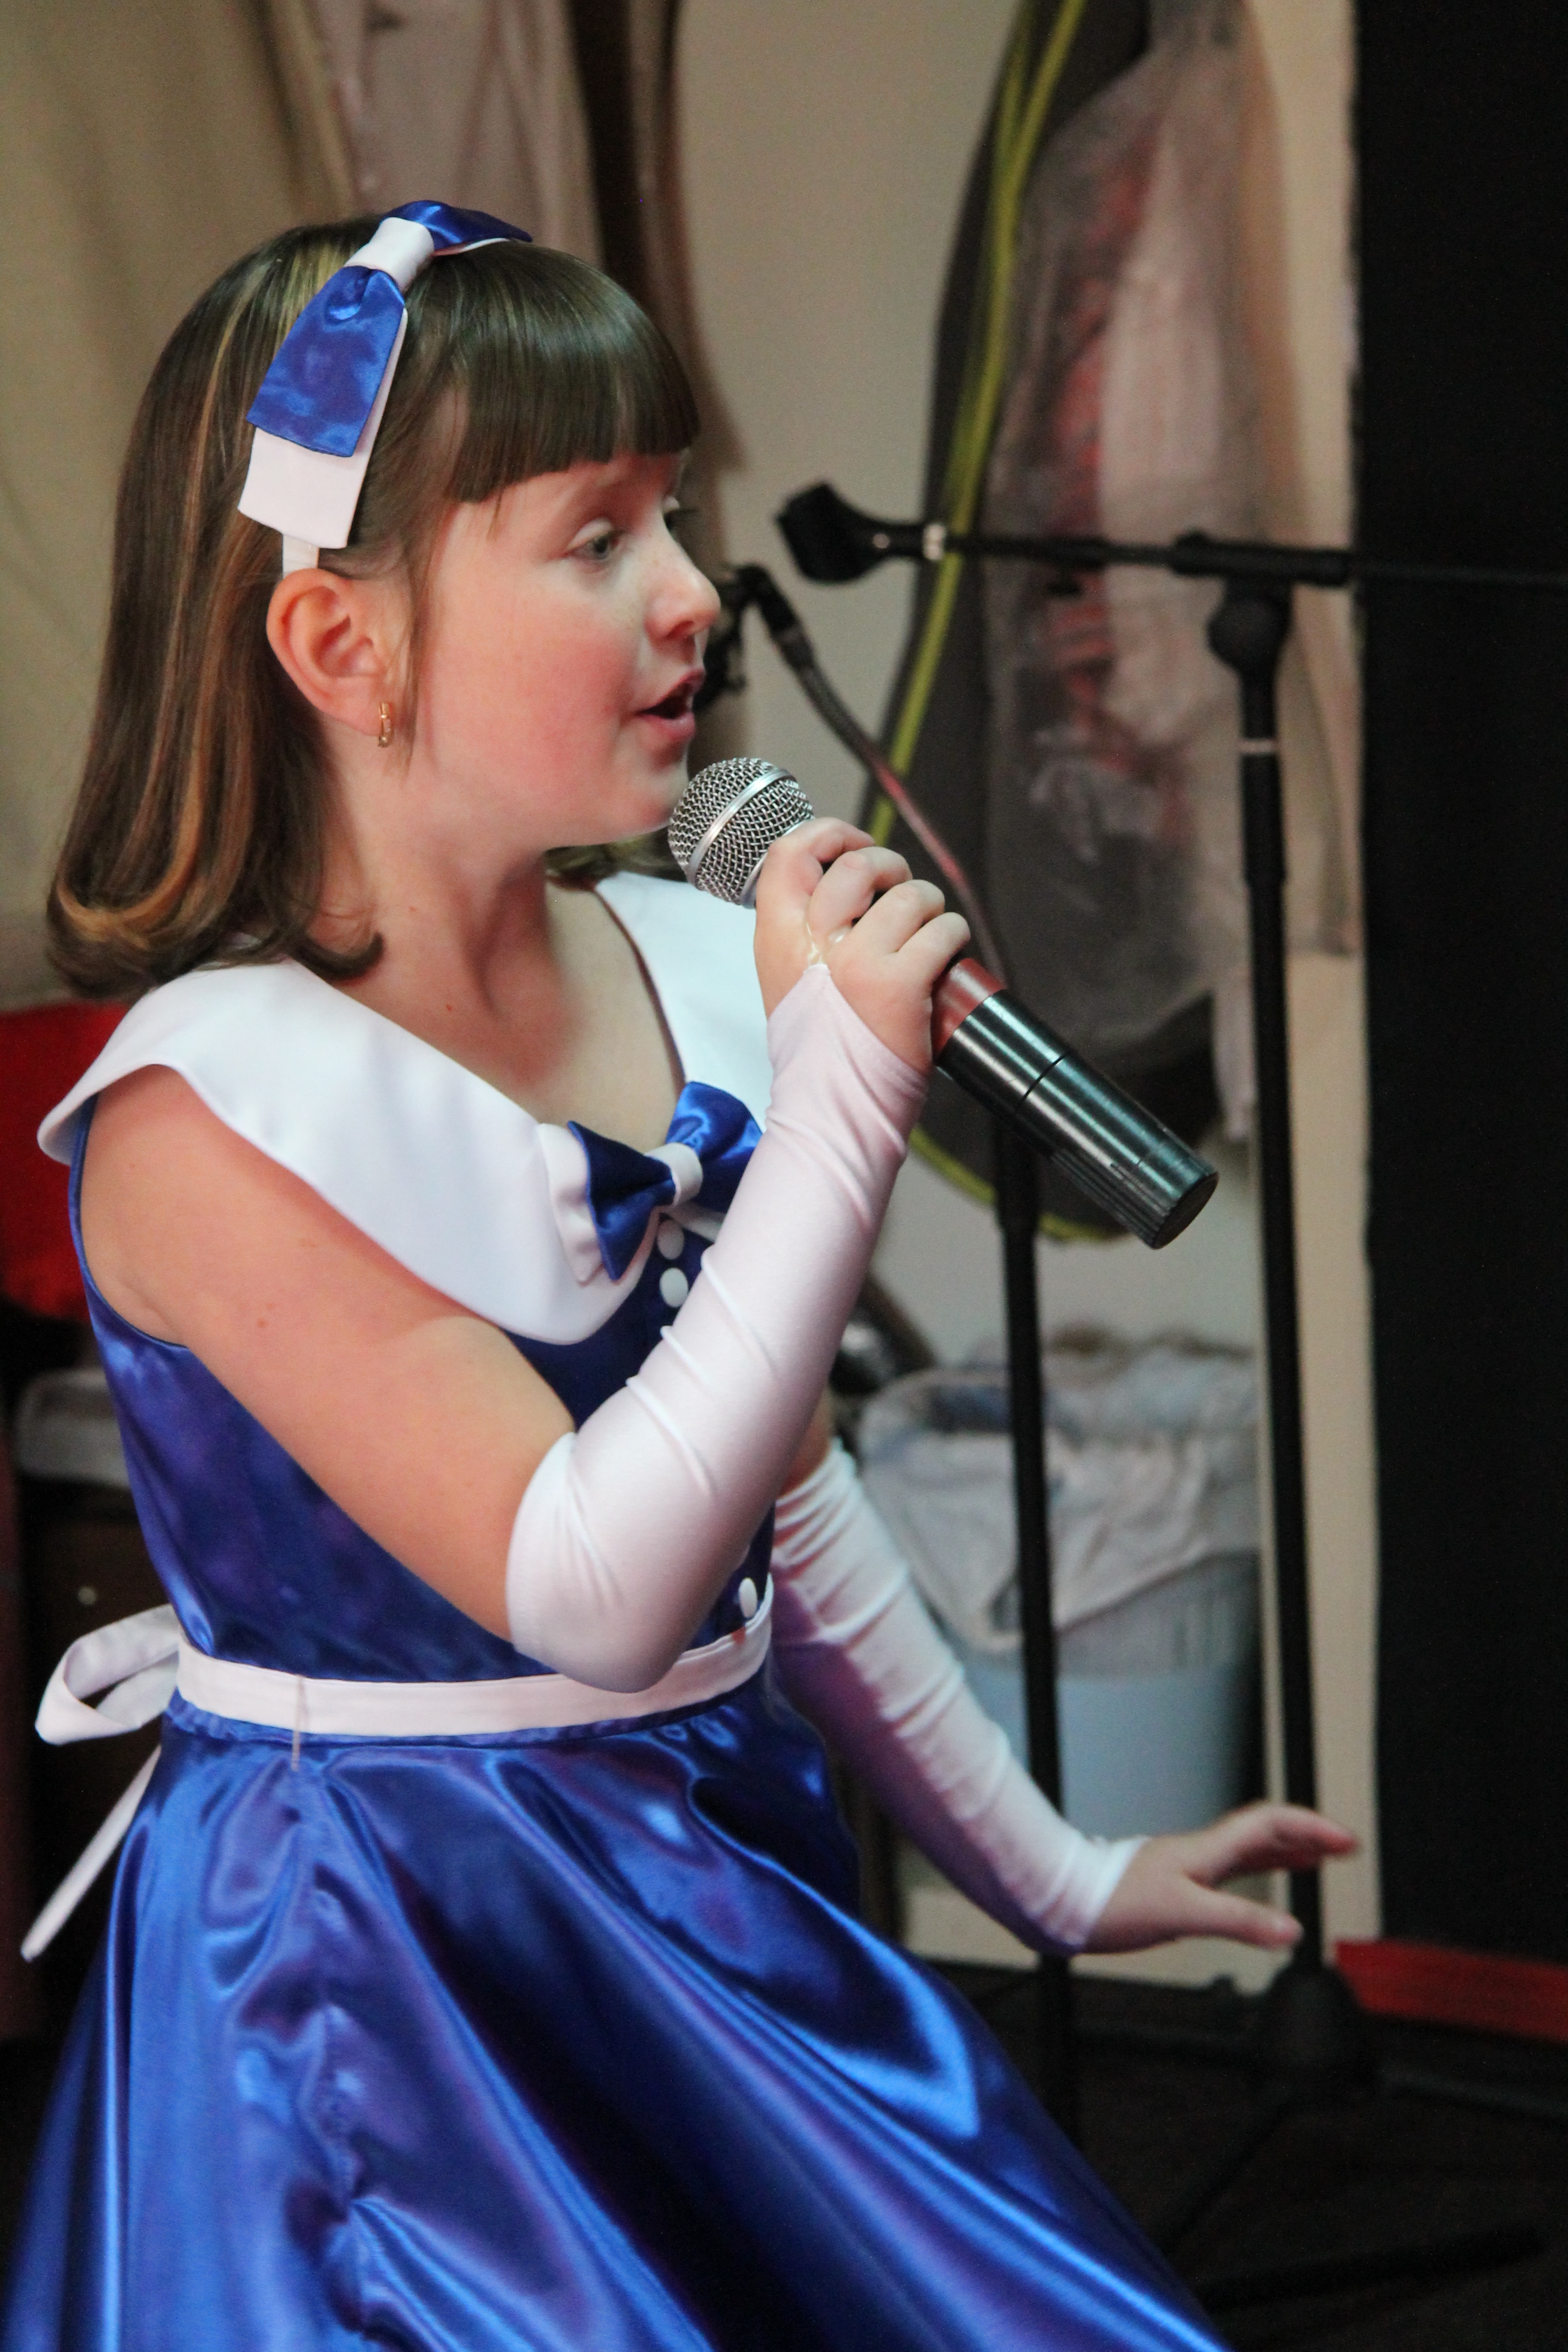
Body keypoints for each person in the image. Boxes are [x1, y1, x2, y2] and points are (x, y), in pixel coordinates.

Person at [3, 204, 1353, 2352]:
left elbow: (777, 1494)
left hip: (706, 1865)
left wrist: (1055, 1874)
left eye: (675, 516)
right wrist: (841, 1103)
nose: (690, 592)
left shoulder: (685, 961)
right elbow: (594, 1588)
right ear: (341, 644)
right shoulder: (211, 1111)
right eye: (592, 536)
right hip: (394, 1974)